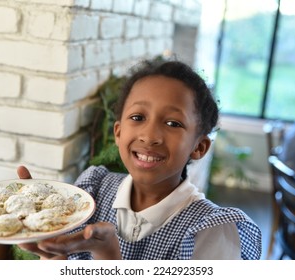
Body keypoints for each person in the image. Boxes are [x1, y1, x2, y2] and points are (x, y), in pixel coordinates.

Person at [17, 59, 262, 260]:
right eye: (137, 117)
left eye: (172, 123)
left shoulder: (210, 231)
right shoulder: (93, 190)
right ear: (118, 132)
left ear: (198, 147)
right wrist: (53, 255)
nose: (150, 136)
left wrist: (108, 256)